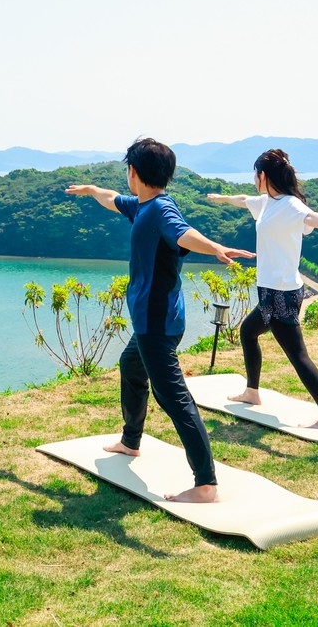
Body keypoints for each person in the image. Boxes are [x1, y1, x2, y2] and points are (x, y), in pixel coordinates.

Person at [66, 138, 253, 503]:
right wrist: (91, 190)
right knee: (131, 367)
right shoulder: (142, 206)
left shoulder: (161, 211)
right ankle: (130, 441)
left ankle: (205, 485)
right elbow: (110, 198)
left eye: (127, 170)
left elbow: (184, 233)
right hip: (156, 318)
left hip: (156, 322)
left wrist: (214, 247)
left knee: (174, 397)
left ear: (134, 172)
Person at [206, 148, 318, 430]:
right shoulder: (265, 203)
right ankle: (252, 392)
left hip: (281, 293)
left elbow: (312, 218)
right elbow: (242, 200)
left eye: (255, 174)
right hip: (271, 291)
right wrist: (221, 198)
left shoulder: (291, 206)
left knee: (297, 355)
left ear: (262, 175)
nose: (253, 180)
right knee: (248, 332)